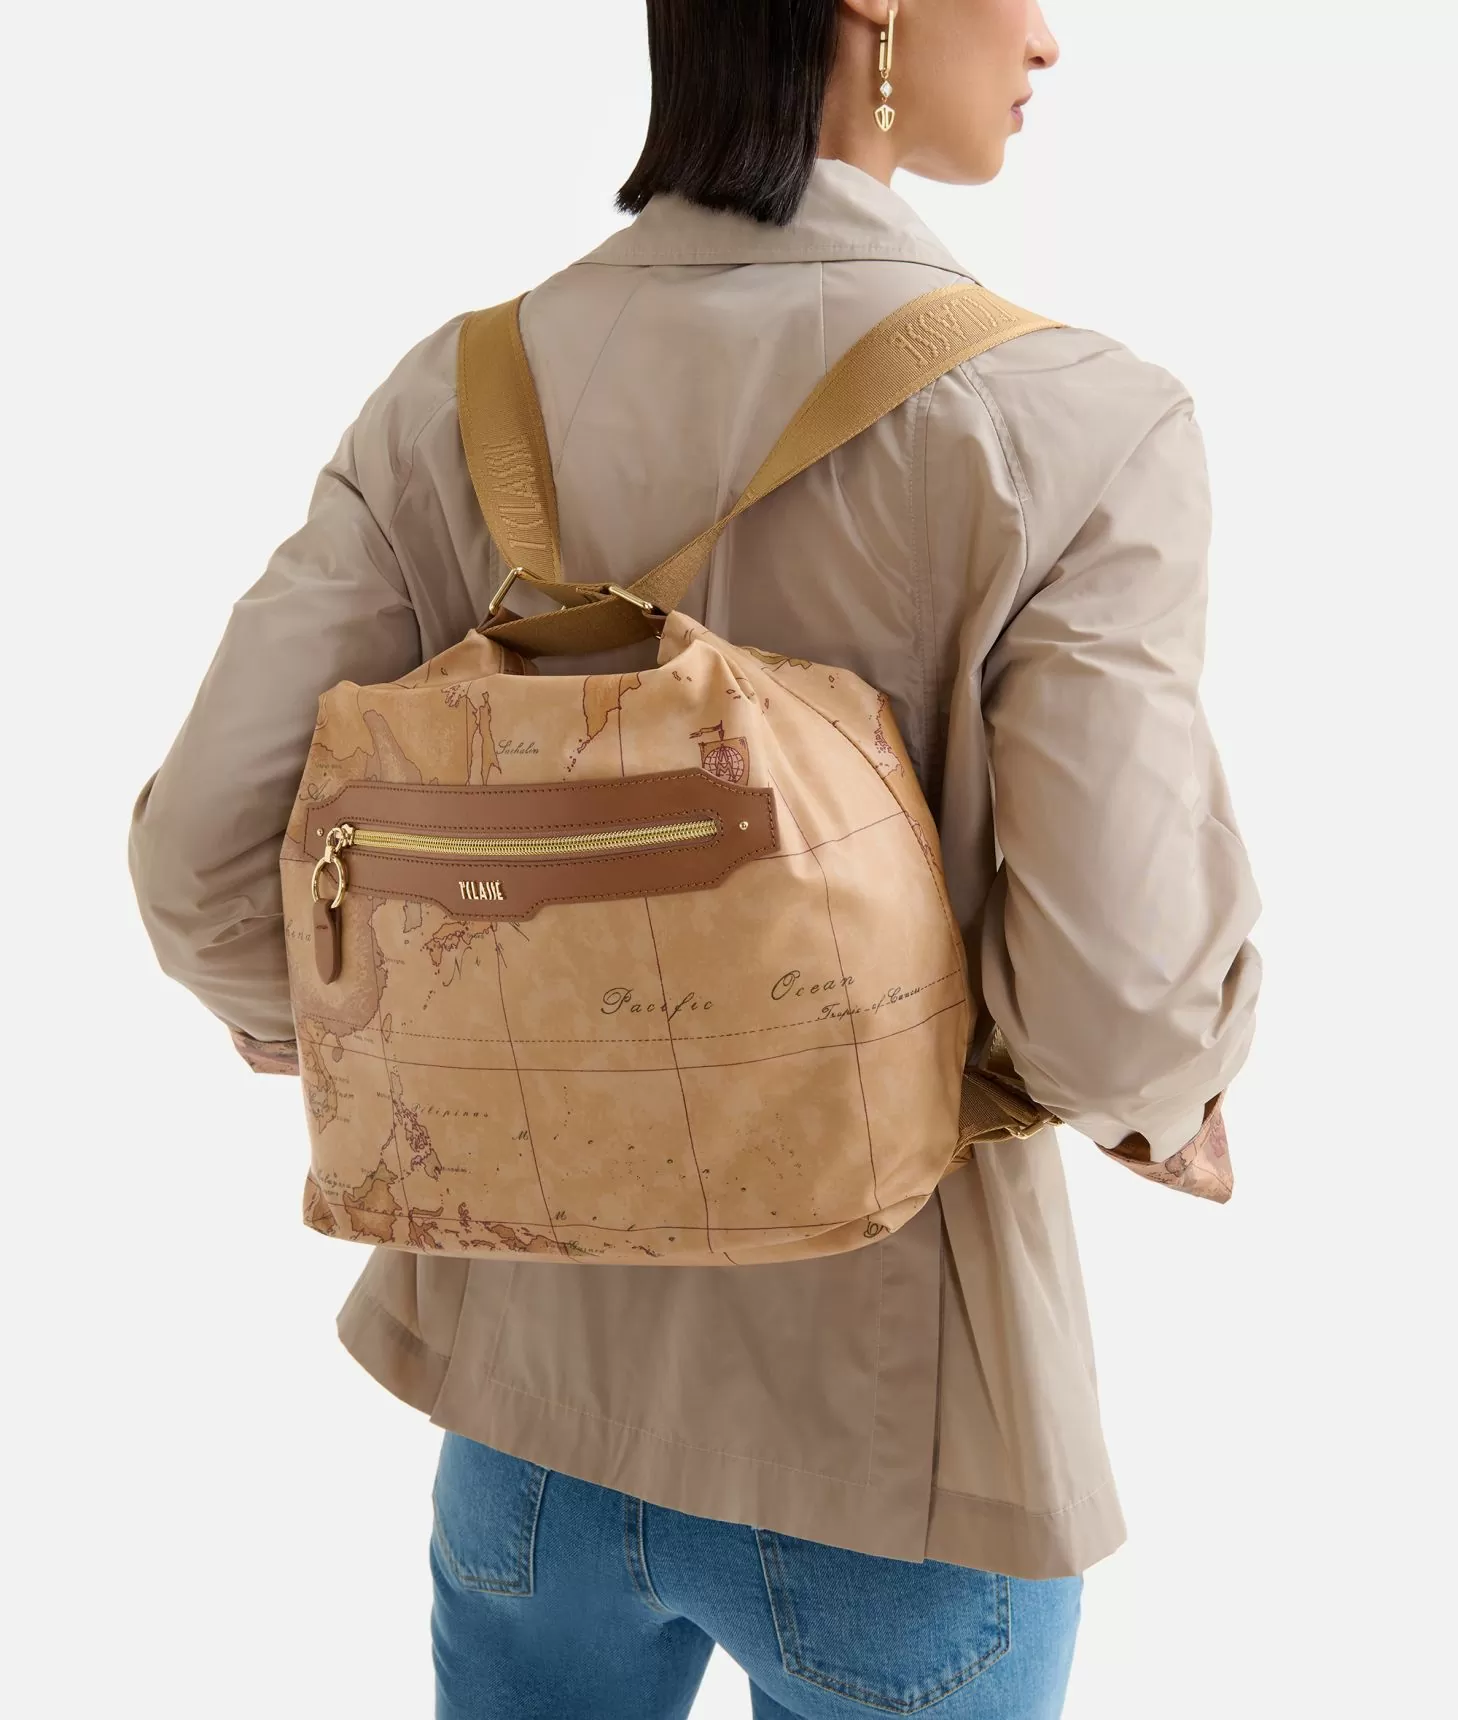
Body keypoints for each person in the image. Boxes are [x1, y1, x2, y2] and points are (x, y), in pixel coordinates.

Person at [127, 1, 1262, 1715]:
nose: (1044, 38)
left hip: (521, 1423)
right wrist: (1173, 1092)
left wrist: (330, 1020)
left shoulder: (457, 391)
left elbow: (200, 863)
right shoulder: (1073, 421)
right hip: (897, 1463)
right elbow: (1120, 1010)